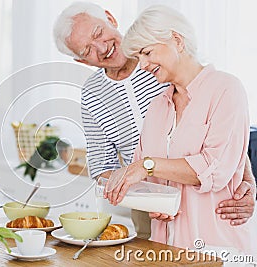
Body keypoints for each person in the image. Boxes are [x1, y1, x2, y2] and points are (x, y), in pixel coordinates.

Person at [53, 1, 256, 240]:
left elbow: (220, 128)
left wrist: (246, 179)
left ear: (110, 18)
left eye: (98, 33)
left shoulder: (164, 59)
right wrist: (148, 193)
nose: (101, 47)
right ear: (82, 62)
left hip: (207, 196)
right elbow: (102, 165)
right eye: (87, 50)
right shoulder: (93, 95)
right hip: (149, 205)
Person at [106, 5, 256, 254]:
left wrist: (147, 166)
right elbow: (144, 173)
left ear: (176, 40)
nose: (142, 65)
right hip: (164, 248)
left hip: (214, 249)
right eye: (138, 58)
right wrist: (153, 200)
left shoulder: (226, 89)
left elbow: (214, 168)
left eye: (146, 53)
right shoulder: (157, 106)